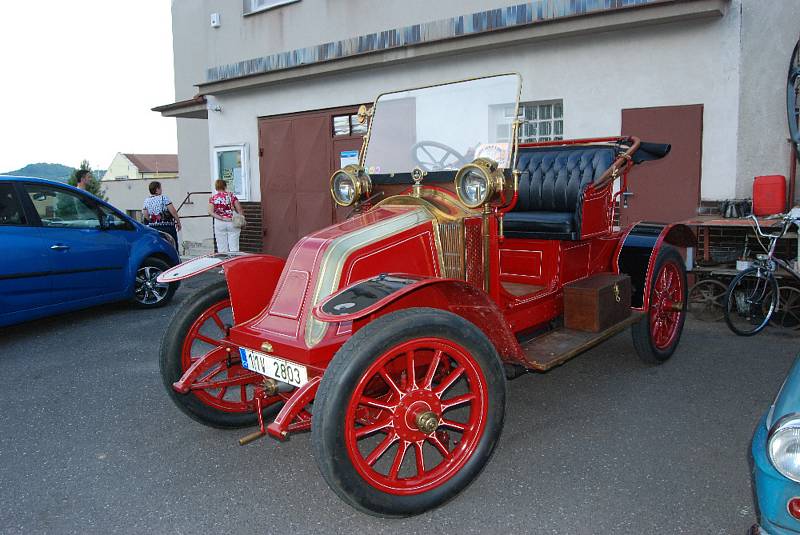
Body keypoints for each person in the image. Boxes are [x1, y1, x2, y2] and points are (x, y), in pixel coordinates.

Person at [143, 181, 181, 250]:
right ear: (157, 189)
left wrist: (152, 221)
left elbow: (145, 214)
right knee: (172, 245)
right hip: (166, 226)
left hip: (154, 227)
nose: (161, 190)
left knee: (159, 246)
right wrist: (178, 222)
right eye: (160, 188)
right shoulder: (164, 198)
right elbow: (173, 211)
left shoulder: (146, 201)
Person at [208, 179, 242, 253]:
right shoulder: (232, 196)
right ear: (225, 186)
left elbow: (210, 212)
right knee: (234, 246)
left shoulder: (213, 198)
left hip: (219, 223)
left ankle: (224, 262)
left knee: (221, 247)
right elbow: (239, 209)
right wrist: (242, 218)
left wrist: (221, 218)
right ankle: (234, 262)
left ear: (216, 187)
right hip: (232, 221)